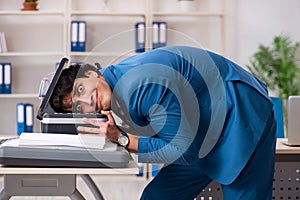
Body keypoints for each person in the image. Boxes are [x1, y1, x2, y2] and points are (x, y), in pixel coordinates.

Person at [50, 46, 277, 200]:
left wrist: (122, 139)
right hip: (199, 131)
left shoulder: (140, 87)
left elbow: (182, 151)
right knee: (158, 196)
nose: (87, 102)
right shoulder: (113, 80)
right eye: (77, 106)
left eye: (80, 90)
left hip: (238, 115)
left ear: (92, 74)